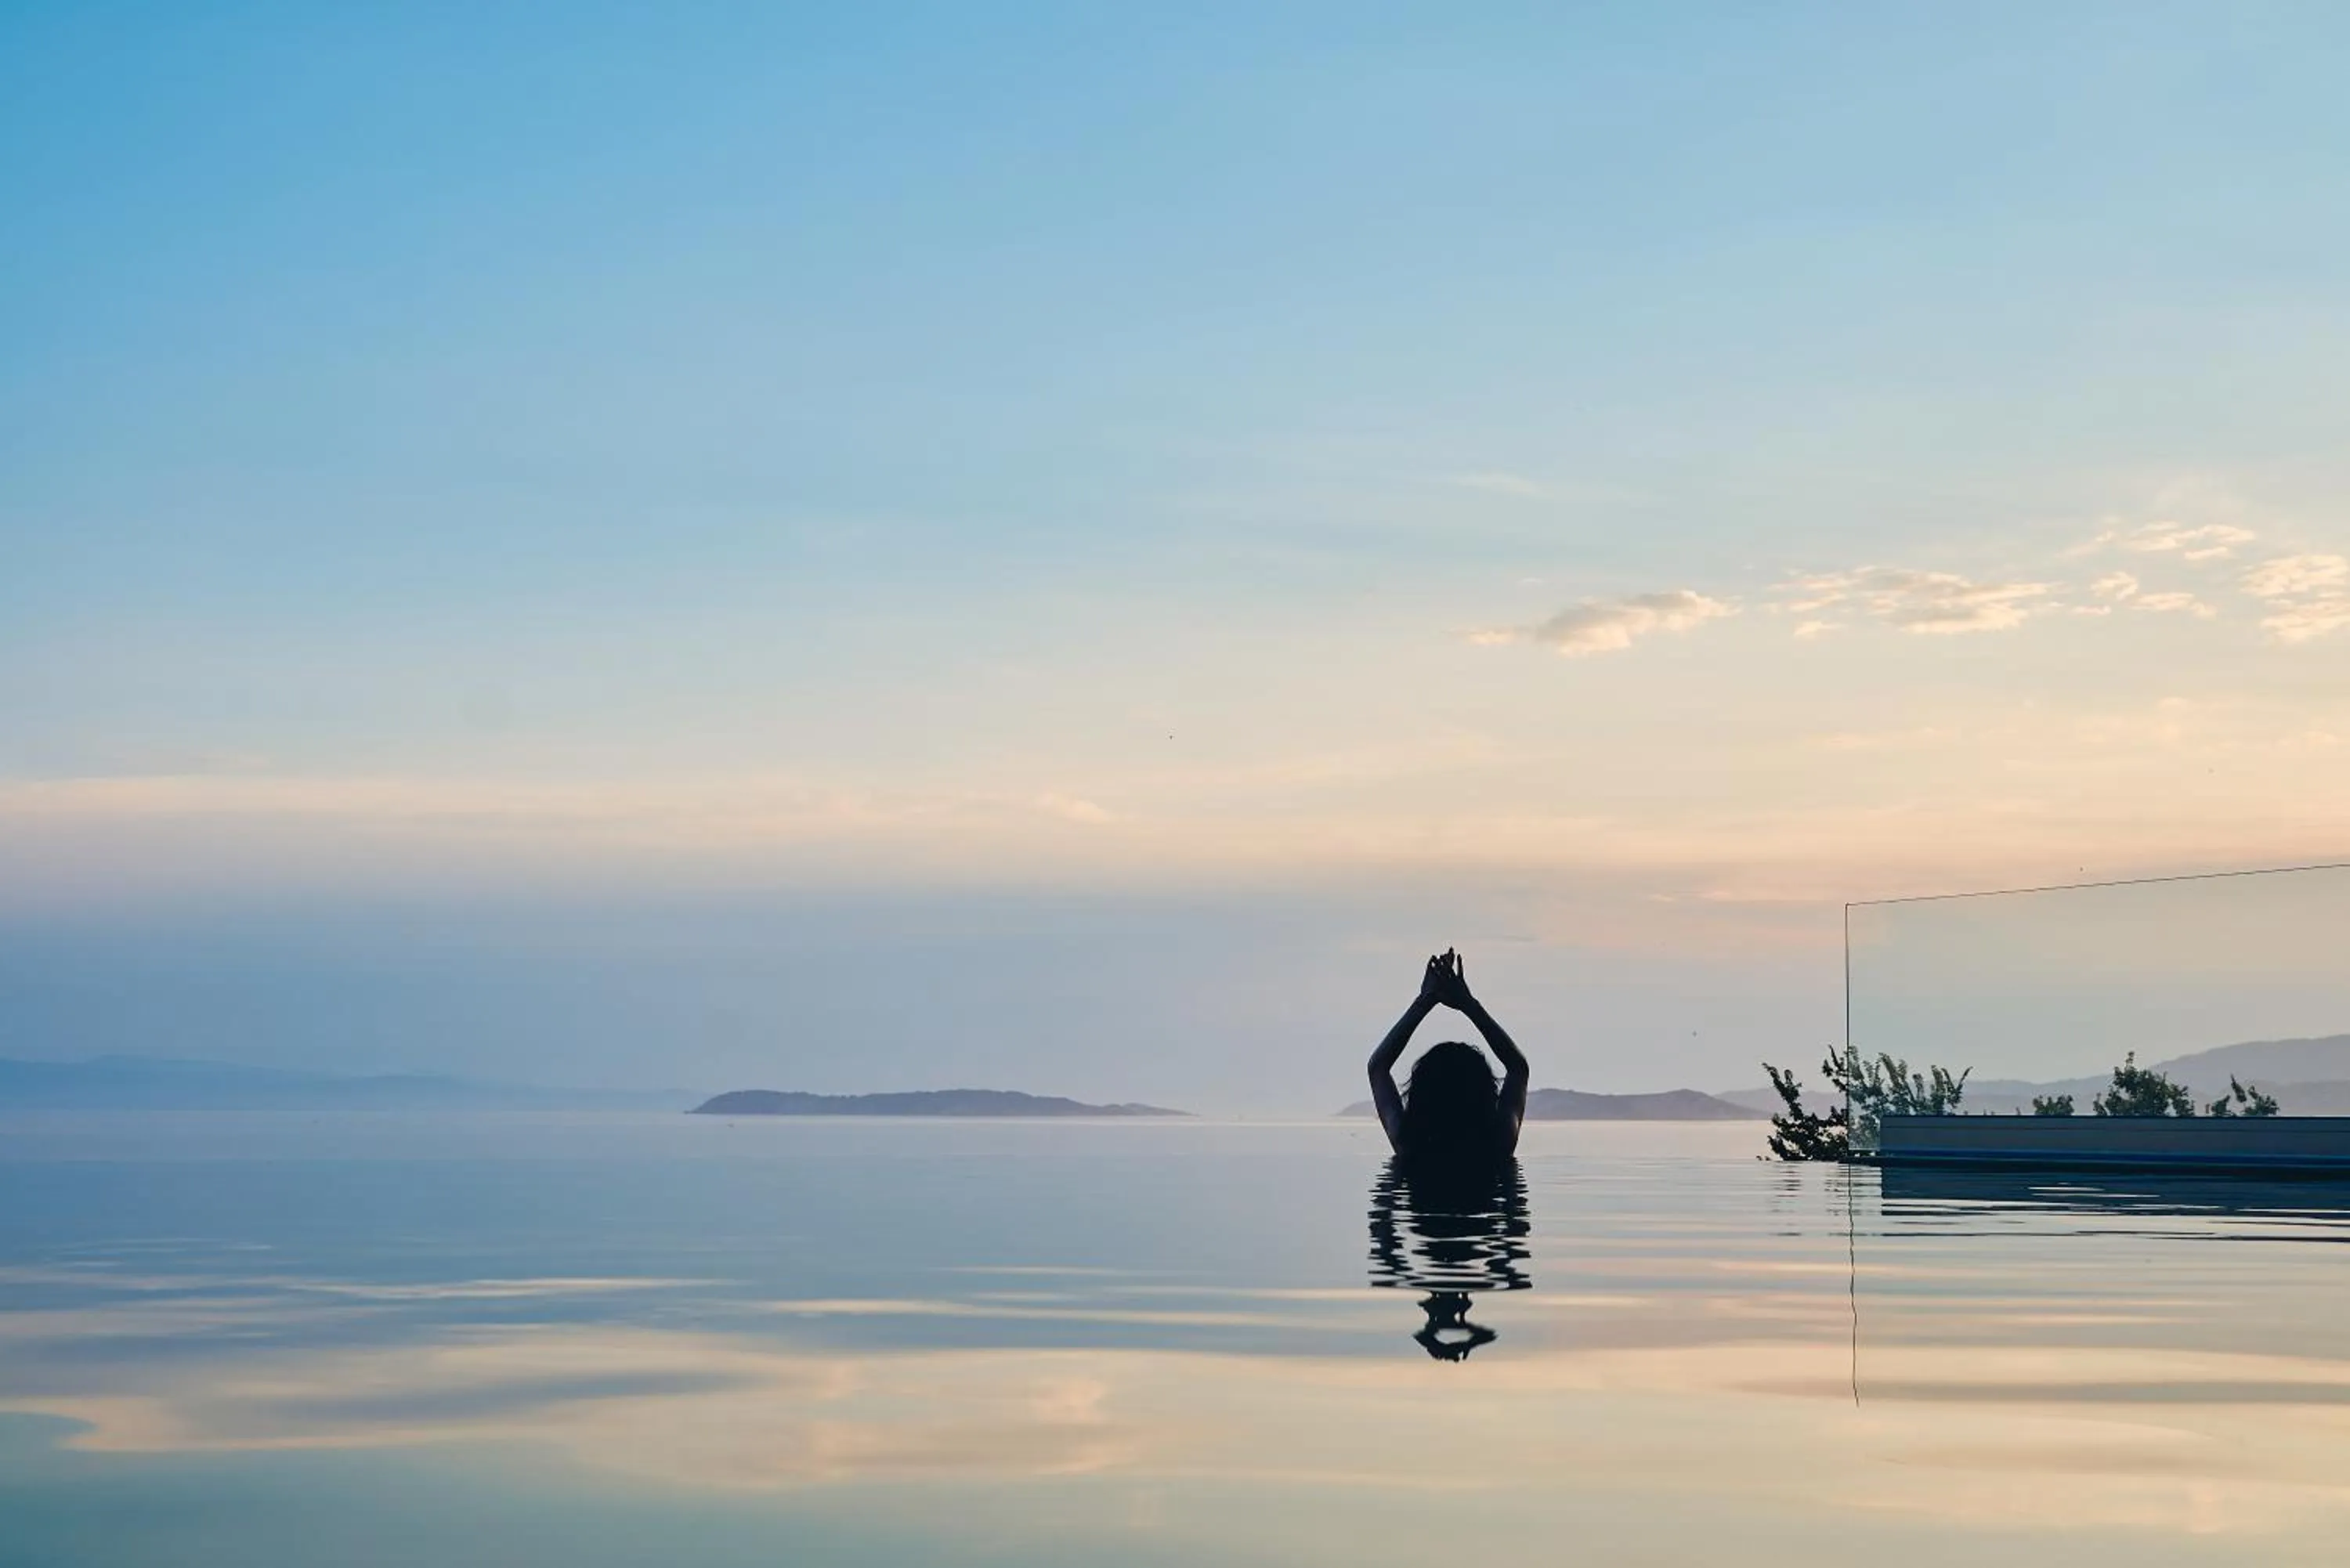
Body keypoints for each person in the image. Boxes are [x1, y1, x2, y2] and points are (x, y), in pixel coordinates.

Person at [1367, 949, 1529, 1164]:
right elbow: (1518, 1068)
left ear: (1420, 1093)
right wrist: (1469, 1004)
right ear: (1484, 1091)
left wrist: (1424, 1001)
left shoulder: (1408, 1144)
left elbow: (1378, 1067)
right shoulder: (1498, 1144)